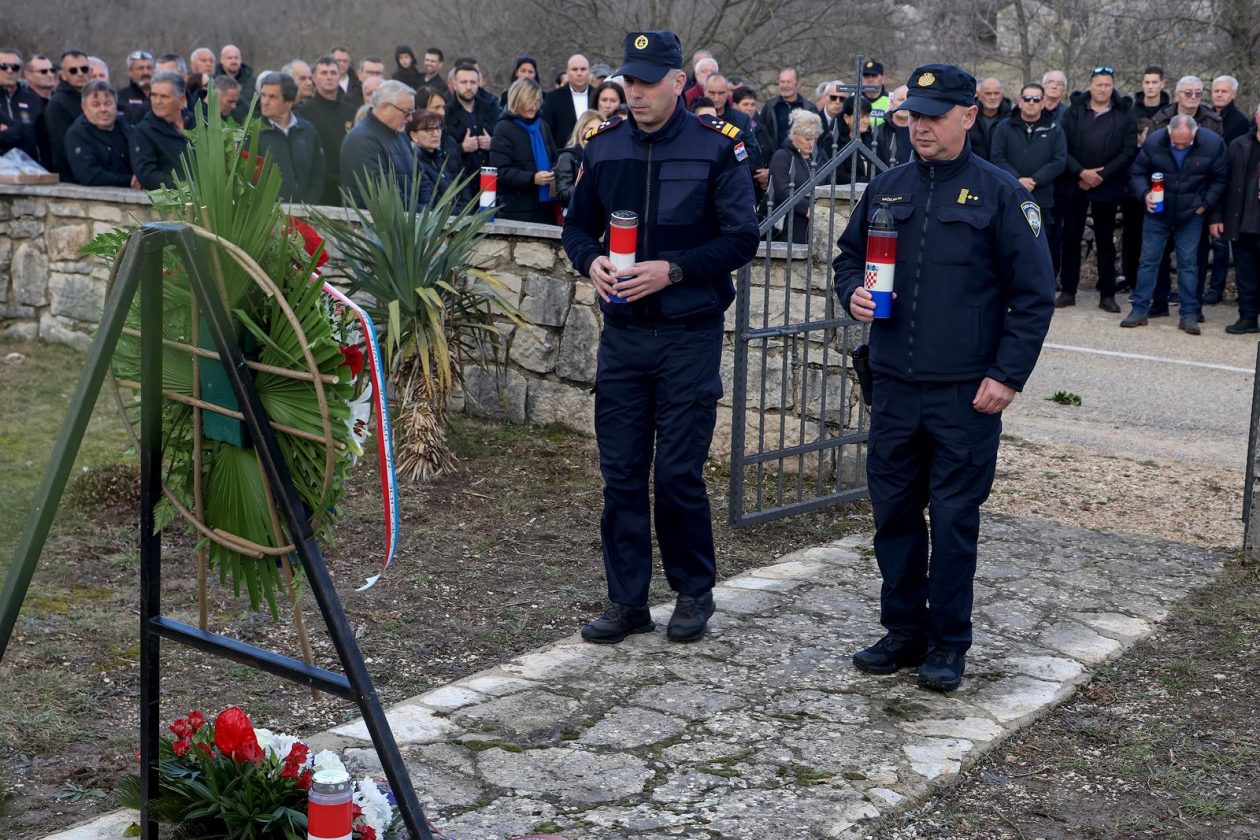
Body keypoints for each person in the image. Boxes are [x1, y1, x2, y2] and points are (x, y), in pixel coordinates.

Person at [834, 64, 1054, 692]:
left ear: (969, 116)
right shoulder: (888, 188)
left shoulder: (1001, 194)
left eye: (934, 116)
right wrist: (852, 293)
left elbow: (1034, 295)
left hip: (965, 393)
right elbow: (848, 258)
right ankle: (903, 631)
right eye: (914, 116)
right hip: (894, 385)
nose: (921, 127)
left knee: (955, 520)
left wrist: (1007, 376)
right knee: (894, 514)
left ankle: (948, 643)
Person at [562, 30, 759, 646]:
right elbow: (576, 229)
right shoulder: (604, 147)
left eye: (648, 81)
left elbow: (741, 238)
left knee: (677, 473)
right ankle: (627, 601)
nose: (636, 92)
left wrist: (672, 271)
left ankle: (693, 592)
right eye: (630, 81)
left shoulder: (716, 148)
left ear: (679, 82)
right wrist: (591, 261)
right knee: (621, 473)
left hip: (687, 334)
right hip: (623, 336)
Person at [1123, 115, 1227, 333]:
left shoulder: (1212, 144)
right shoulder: (1154, 141)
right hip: (1157, 212)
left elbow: (1220, 178)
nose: (1180, 147)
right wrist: (1144, 193)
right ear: (1169, 133)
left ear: (1195, 133)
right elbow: (1137, 172)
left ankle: (1189, 314)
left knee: (1188, 264)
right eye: (1176, 143)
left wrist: (1205, 204)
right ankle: (1139, 310)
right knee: (1148, 261)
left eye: (1185, 144)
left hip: (1191, 214)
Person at [1056, 66, 1136, 312]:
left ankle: (1107, 294)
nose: (1103, 89)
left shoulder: (1124, 113)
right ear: (1090, 85)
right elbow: (1061, 146)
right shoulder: (1074, 111)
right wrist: (1081, 172)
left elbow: (1128, 151)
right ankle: (1068, 291)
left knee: (1105, 242)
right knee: (1071, 238)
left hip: (1107, 186)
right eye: (1099, 84)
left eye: (1107, 85)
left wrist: (1101, 175)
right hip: (1075, 183)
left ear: (1113, 87)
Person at [1211, 103, 1260, 334]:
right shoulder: (1238, 145)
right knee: (1245, 274)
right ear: (1256, 116)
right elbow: (1223, 182)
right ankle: (1248, 318)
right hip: (1242, 223)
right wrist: (1217, 216)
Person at [990, 82, 1067, 214]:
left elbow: (1059, 161)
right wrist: (1017, 180)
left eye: (1036, 99)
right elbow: (997, 158)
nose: (1031, 103)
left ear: (1043, 104)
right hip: (1009, 193)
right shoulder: (1004, 127)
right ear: (1020, 102)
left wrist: (1034, 180)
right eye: (1027, 98)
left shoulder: (1054, 129)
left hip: (1042, 197)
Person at [489, 78, 558, 225]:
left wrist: (554, 171)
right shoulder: (503, 128)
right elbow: (500, 172)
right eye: (529, 101)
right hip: (515, 209)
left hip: (545, 207)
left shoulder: (543, 126)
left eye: (537, 102)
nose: (534, 107)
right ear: (517, 100)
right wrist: (532, 178)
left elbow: (553, 157)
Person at [340, 79, 418, 208]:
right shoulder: (361, 140)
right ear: (385, 107)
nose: (410, 118)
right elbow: (382, 194)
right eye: (406, 112)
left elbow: (420, 176)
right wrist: (422, 212)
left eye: (412, 112)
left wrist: (428, 209)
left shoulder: (400, 135)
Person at [297, 54, 359, 205]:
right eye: (324, 73)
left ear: (339, 76)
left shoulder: (352, 111)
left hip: (349, 187)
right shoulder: (303, 112)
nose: (329, 77)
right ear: (314, 78)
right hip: (320, 189)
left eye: (333, 73)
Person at [257, 72, 326, 204]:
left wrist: (309, 205)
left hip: (307, 210)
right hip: (270, 212)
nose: (264, 102)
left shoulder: (308, 131)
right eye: (263, 95)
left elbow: (318, 173)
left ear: (288, 102)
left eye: (272, 97)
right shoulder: (254, 132)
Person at [64, 81, 138, 188]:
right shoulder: (77, 135)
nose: (103, 109)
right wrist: (130, 180)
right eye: (96, 105)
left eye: (108, 103)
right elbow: (89, 175)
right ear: (84, 107)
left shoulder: (127, 130)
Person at [769, 108, 822, 242]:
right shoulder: (782, 156)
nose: (811, 143)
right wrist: (807, 207)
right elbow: (782, 191)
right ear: (795, 134)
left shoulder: (820, 155)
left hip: (818, 222)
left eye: (814, 138)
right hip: (790, 225)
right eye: (807, 138)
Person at [131, 71, 190, 189]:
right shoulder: (144, 131)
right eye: (153, 95)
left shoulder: (199, 123)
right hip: (175, 197)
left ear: (181, 100)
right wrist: (188, 188)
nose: (157, 101)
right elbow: (147, 175)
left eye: (164, 96)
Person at [407, 108, 469, 209]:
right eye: (429, 130)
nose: (436, 134)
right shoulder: (414, 162)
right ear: (414, 135)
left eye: (438, 128)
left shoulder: (440, 158)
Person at [445, 64, 497, 183]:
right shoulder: (446, 113)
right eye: (464, 82)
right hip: (460, 180)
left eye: (473, 82)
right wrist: (462, 148)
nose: (468, 87)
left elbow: (505, 142)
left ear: (479, 83)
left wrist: (492, 143)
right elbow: (441, 151)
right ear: (454, 84)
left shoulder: (490, 109)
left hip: (489, 178)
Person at [44, 49, 92, 176]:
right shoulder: (57, 104)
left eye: (84, 69)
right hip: (72, 174)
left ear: (90, 71)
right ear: (63, 75)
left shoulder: (94, 99)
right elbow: (62, 145)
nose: (80, 74)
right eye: (73, 70)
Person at [542, 54, 595, 154]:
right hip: (563, 155)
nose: (579, 73)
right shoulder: (553, 98)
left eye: (583, 69)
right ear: (567, 73)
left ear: (589, 71)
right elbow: (547, 132)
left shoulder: (598, 95)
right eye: (574, 69)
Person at [0, 49, 45, 162]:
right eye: (3, 66)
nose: (10, 71)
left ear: (20, 71)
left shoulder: (32, 99)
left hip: (29, 167)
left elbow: (43, 139)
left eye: (15, 67)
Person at [553, 109, 601, 212]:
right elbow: (565, 197)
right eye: (590, 129)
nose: (594, 134)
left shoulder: (606, 157)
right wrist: (587, 176)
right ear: (580, 130)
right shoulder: (567, 156)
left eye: (599, 130)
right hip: (577, 215)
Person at [760, 67, 818, 149]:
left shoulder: (810, 109)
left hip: (801, 155)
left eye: (788, 82)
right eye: (782, 82)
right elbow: (761, 134)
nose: (785, 85)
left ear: (798, 83)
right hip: (774, 155)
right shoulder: (770, 107)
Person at [966, 77, 1010, 161]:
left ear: (1002, 95)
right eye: (988, 93)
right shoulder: (968, 117)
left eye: (996, 93)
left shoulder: (1012, 118)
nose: (992, 97)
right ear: (979, 95)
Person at [118, 50, 153, 124]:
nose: (146, 72)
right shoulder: (120, 98)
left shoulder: (162, 96)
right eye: (140, 68)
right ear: (130, 72)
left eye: (149, 68)